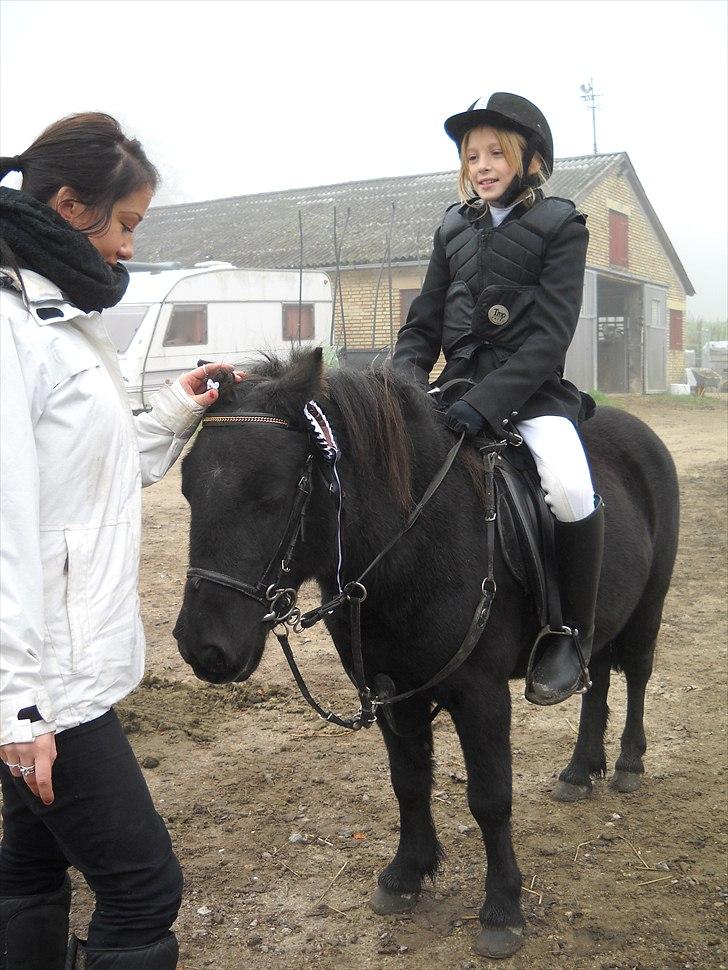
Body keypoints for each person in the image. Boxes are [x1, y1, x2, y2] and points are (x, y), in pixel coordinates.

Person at [0, 113, 241, 970]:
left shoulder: (59, 322)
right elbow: (3, 532)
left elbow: (91, 474)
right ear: (70, 206)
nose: (132, 249)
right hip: (46, 686)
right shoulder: (11, 332)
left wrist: (178, 404)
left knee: (31, 859)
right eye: (127, 224)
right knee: (142, 889)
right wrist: (18, 706)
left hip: (57, 674)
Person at [391, 93, 604, 707]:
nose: (481, 165)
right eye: (471, 155)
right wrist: (404, 384)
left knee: (568, 487)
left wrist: (486, 404)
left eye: (495, 154)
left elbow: (549, 338)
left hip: (532, 397)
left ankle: (571, 635)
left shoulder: (563, 225)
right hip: (451, 391)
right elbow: (422, 323)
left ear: (530, 159)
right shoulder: (452, 227)